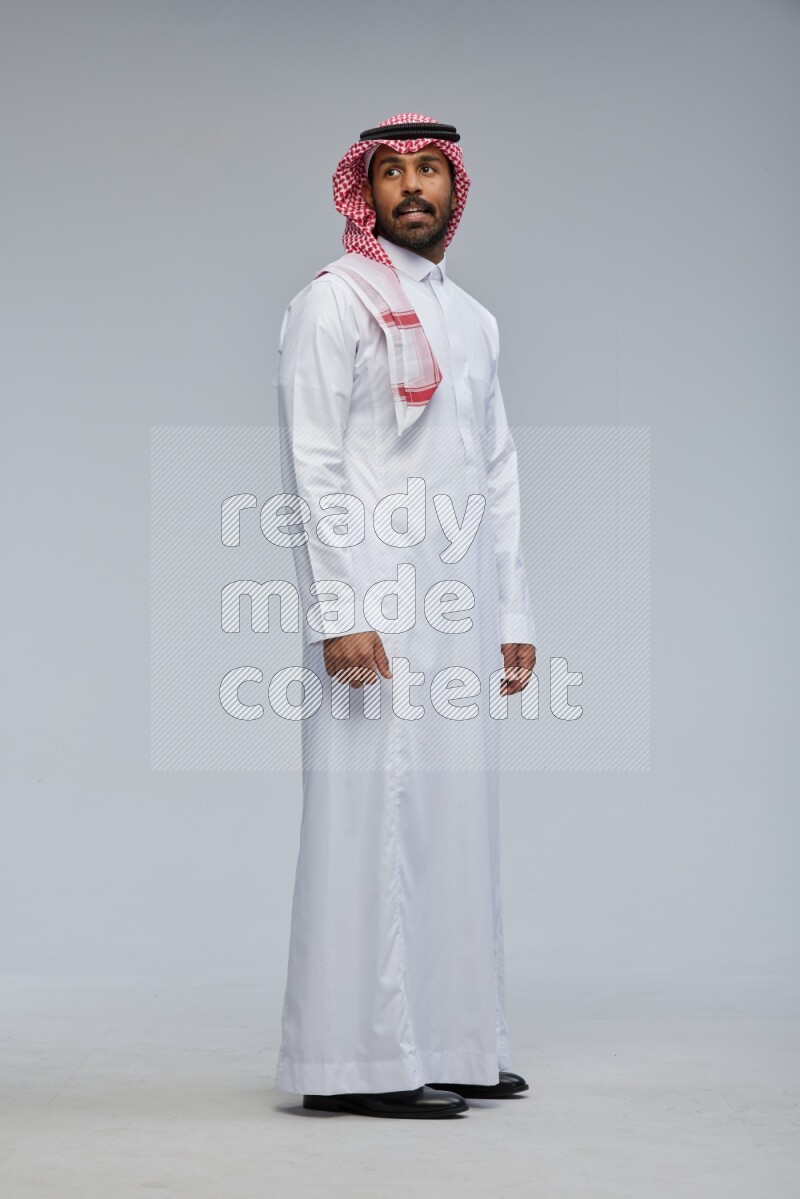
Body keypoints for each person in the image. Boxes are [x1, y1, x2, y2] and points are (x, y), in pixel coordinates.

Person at [273, 113, 537, 1119]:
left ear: (453, 188)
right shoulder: (332, 303)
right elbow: (312, 460)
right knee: (369, 822)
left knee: (455, 821)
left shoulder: (471, 318)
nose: (412, 188)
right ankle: (356, 1060)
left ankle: (459, 1038)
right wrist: (335, 608)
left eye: (430, 170)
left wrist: (510, 610)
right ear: (364, 190)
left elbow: (498, 469)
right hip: (373, 607)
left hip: (459, 611)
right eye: (392, 173)